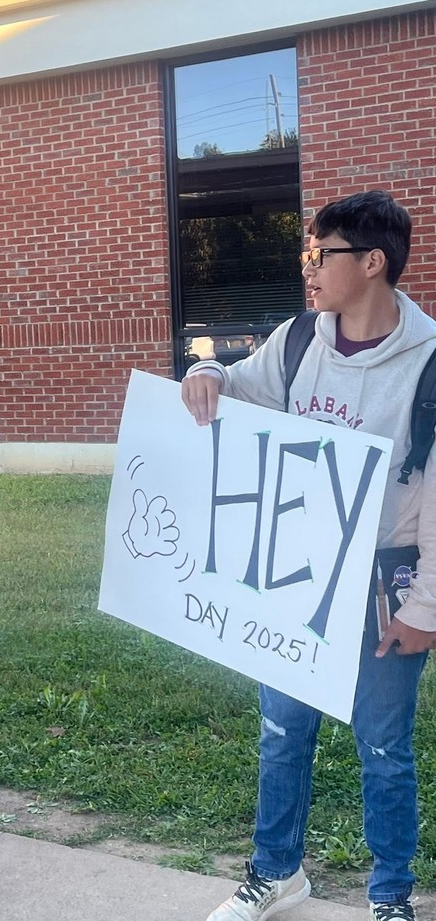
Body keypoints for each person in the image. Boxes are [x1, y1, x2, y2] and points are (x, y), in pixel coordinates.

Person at [181, 191, 436, 921]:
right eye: (307, 254)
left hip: (388, 579)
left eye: (321, 254)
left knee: (384, 746)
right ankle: (276, 873)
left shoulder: (430, 366)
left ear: (373, 262)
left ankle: (390, 894)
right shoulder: (298, 340)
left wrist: (426, 609)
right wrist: (207, 376)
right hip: (296, 572)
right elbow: (238, 385)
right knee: (282, 730)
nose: (307, 268)